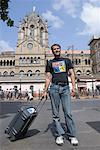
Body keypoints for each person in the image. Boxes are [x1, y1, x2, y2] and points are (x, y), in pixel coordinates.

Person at [42, 44, 78, 146]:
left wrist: (74, 88)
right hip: (54, 88)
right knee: (56, 114)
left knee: (68, 113)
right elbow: (48, 77)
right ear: (52, 51)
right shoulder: (50, 63)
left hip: (65, 88)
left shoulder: (66, 61)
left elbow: (72, 74)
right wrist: (45, 90)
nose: (56, 50)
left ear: (60, 50)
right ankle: (59, 135)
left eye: (58, 49)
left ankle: (72, 135)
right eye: (54, 49)